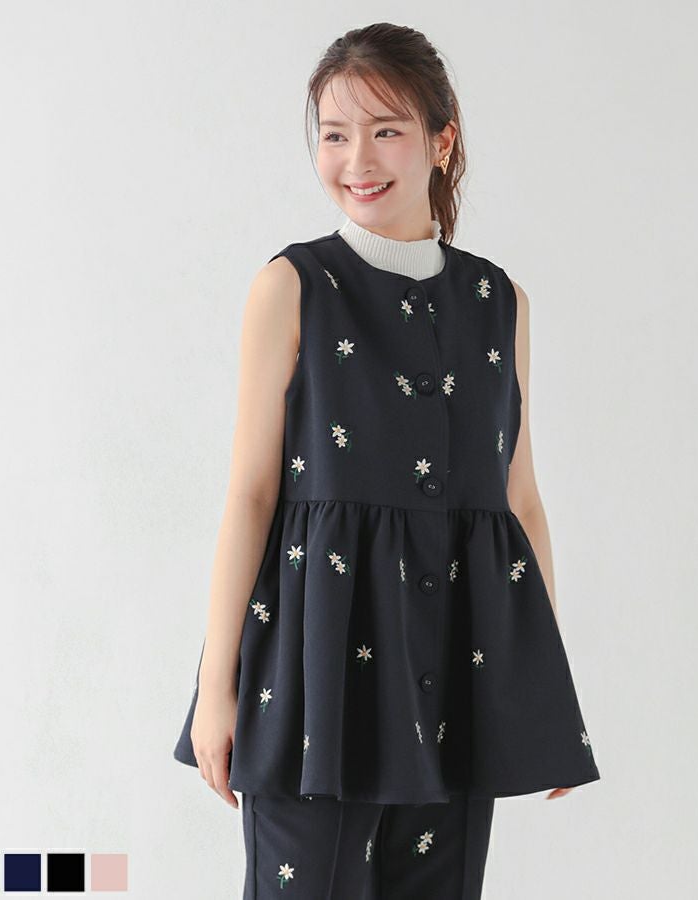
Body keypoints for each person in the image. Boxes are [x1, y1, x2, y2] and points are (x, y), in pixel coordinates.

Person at [173, 22, 601, 899]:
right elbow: (251, 494)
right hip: (313, 672)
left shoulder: (499, 302)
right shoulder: (292, 287)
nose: (357, 160)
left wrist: (535, 684)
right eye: (334, 135)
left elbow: (519, 500)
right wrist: (216, 687)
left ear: (442, 142)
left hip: (457, 663)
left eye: (386, 131)